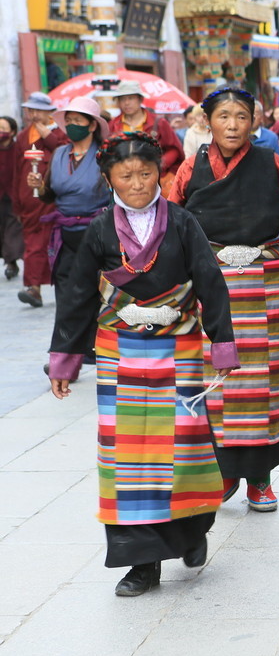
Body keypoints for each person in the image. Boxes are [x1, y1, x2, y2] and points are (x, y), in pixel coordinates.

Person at [47, 132, 238, 597]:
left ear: (161, 174)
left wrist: (222, 345)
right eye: (126, 175)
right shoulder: (98, 229)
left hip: (181, 350)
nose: (137, 183)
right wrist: (65, 361)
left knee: (184, 452)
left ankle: (192, 533)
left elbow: (210, 282)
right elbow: (76, 294)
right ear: (108, 178)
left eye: (146, 173)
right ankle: (142, 564)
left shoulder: (183, 222)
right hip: (120, 353)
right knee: (129, 459)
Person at [169, 87, 279, 512]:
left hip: (268, 286)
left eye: (241, 116)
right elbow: (172, 222)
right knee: (219, 382)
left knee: (266, 384)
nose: (233, 125)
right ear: (207, 121)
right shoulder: (191, 166)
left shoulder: (270, 163)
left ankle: (260, 479)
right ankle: (223, 472)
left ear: (254, 121)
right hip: (211, 289)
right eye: (223, 116)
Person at [32, 97, 112, 361]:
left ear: (92, 126)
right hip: (65, 232)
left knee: (95, 290)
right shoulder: (59, 154)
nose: (73, 126)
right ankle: (65, 351)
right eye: (69, 121)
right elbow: (49, 195)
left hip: (97, 231)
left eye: (79, 121)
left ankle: (93, 345)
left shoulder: (105, 155)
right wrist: (38, 185)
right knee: (65, 292)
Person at [12, 92, 67, 307]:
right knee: (33, 243)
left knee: (56, 242)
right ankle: (33, 287)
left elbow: (63, 152)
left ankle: (63, 284)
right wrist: (17, 202)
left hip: (53, 197)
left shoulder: (60, 132)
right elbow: (17, 171)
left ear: (49, 112)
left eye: (37, 110)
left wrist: (46, 134)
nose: (33, 115)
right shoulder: (24, 136)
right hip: (29, 199)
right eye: (30, 111)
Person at [108, 81, 185, 191]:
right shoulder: (113, 125)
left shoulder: (158, 123)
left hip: (154, 180)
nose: (126, 103)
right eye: (122, 99)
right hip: (124, 181)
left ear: (140, 99)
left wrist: (160, 164)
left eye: (130, 98)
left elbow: (174, 150)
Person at [0, 116, 24, 280]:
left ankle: (11, 262)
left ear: (12, 131)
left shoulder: (19, 149)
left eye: (3, 128)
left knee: (13, 232)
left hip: (15, 196)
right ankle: (10, 261)